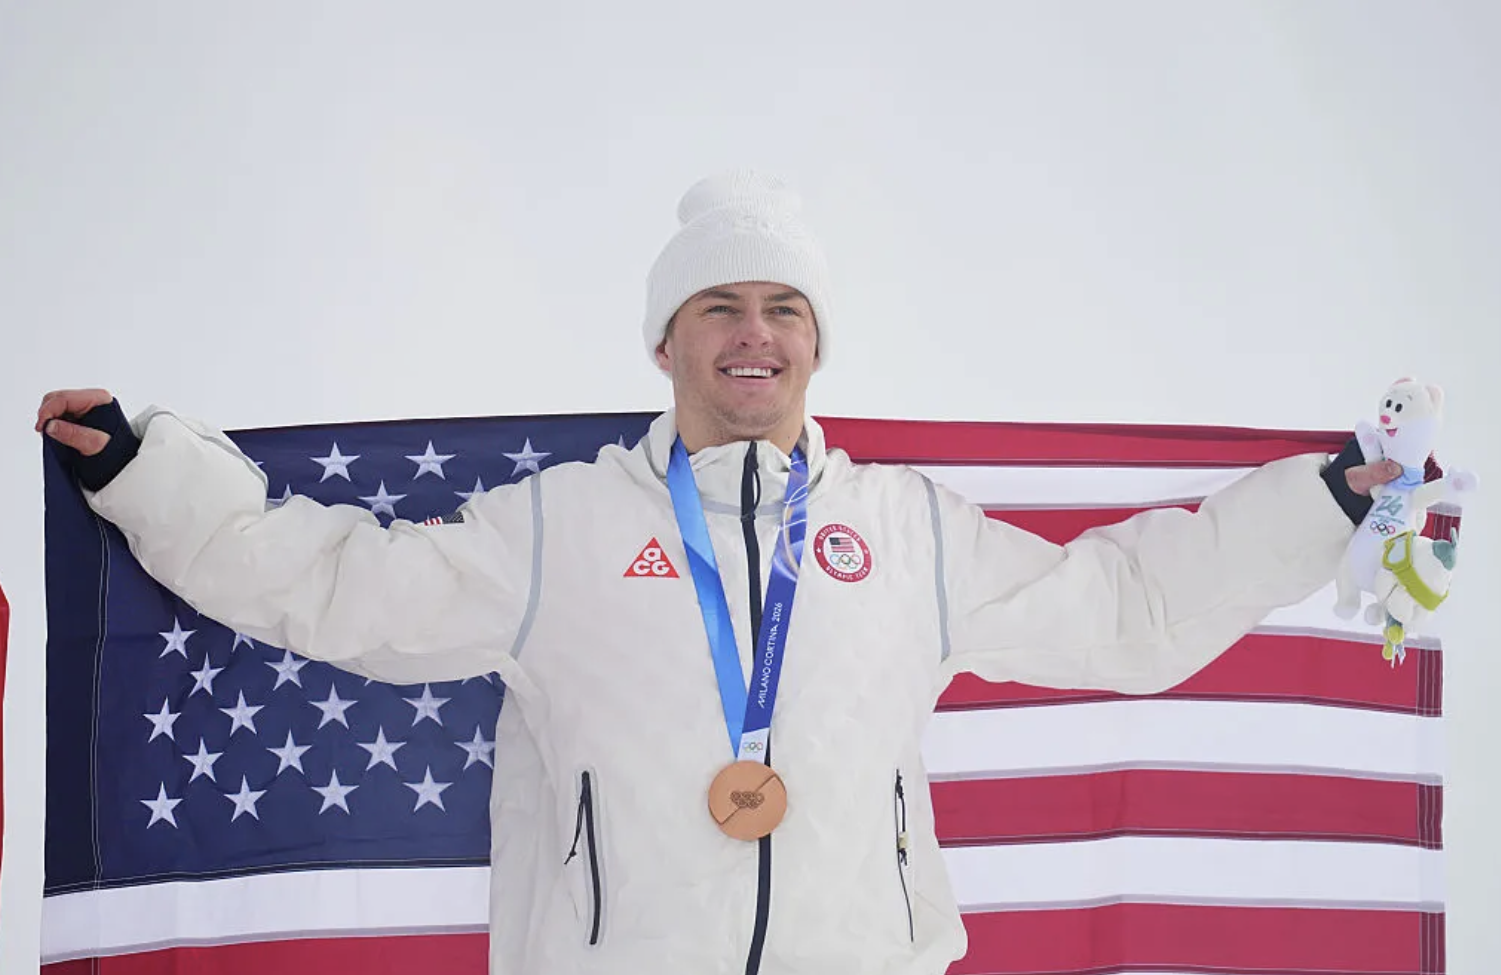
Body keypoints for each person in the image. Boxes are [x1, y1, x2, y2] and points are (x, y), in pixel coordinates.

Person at [36, 170, 1403, 975]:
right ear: (665, 343)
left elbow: (1127, 614)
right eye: (720, 309)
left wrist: (1323, 501)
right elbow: (335, 584)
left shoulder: (911, 531)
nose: (755, 335)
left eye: (782, 310)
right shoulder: (559, 528)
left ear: (817, 344)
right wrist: (148, 471)